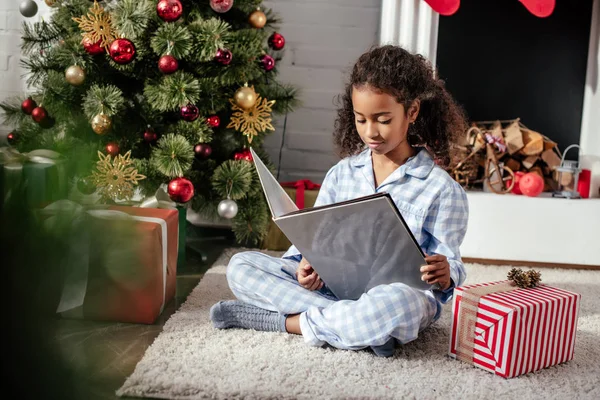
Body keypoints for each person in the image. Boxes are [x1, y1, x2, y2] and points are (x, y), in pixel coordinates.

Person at [209, 45, 469, 357]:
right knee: (240, 266)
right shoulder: (341, 174)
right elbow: (314, 242)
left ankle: (286, 323)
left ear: (412, 111)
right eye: (361, 119)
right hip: (334, 288)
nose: (370, 131)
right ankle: (358, 328)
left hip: (397, 296)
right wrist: (306, 265)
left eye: (383, 119)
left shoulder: (441, 189)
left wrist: (445, 273)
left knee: (397, 307)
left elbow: (450, 264)